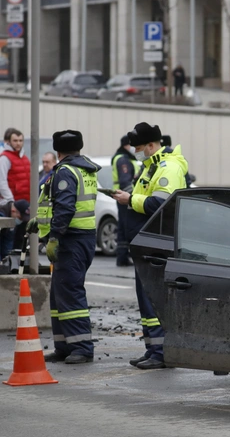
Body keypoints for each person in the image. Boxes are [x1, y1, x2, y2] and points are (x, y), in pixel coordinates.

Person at [112, 122, 189, 370]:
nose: (136, 151)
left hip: (158, 242)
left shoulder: (168, 167)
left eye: (139, 147)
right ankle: (153, 349)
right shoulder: (150, 166)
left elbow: (161, 204)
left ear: (152, 145)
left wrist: (129, 199)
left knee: (154, 298)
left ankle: (162, 352)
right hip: (145, 241)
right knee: (145, 298)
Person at [26, 130, 101, 365]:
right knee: (59, 296)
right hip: (81, 238)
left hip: (71, 240)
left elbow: (66, 208)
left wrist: (55, 236)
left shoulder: (65, 171)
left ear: (58, 152)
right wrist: (41, 222)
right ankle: (64, 346)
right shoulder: (85, 170)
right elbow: (63, 206)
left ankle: (81, 347)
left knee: (70, 294)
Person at [111, 135, 139, 267]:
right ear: (126, 146)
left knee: (123, 226)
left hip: (121, 196)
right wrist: (131, 197)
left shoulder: (123, 157)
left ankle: (122, 257)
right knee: (127, 226)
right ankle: (123, 257)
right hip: (124, 197)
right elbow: (125, 180)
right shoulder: (123, 159)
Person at [0, 128, 31, 206]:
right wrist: (10, 201)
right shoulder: (4, 158)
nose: (18, 143)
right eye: (15, 141)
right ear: (9, 142)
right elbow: (2, 181)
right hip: (13, 203)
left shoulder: (24, 158)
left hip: (26, 202)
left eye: (20, 140)